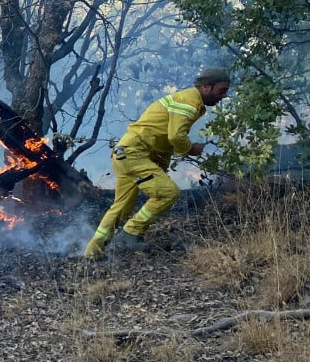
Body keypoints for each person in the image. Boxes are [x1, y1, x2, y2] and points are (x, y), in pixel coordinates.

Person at [83, 68, 232, 260]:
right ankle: (131, 232)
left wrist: (162, 167)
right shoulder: (190, 102)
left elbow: (163, 141)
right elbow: (176, 136)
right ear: (205, 87)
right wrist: (190, 149)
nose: (225, 95)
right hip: (134, 154)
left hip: (125, 153)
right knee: (169, 192)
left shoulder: (187, 100)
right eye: (221, 90)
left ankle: (92, 253)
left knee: (121, 207)